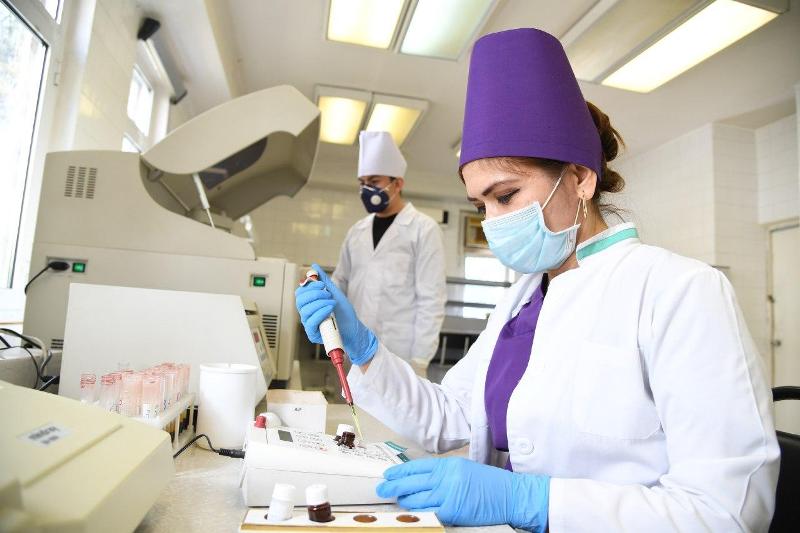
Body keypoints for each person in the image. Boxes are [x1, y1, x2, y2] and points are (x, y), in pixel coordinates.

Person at [296, 28, 779, 532]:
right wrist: (365, 352)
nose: (492, 221)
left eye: (505, 196)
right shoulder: (521, 302)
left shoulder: (679, 292)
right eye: (480, 205)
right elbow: (450, 416)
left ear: (580, 178)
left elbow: (728, 512)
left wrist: (537, 502)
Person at [328, 130, 446, 370]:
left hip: (400, 354)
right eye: (362, 183)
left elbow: (431, 299)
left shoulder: (423, 229)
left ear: (398, 183)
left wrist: (420, 359)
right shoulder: (356, 232)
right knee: (353, 396)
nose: (366, 189)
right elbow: (340, 283)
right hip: (356, 350)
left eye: (374, 182)